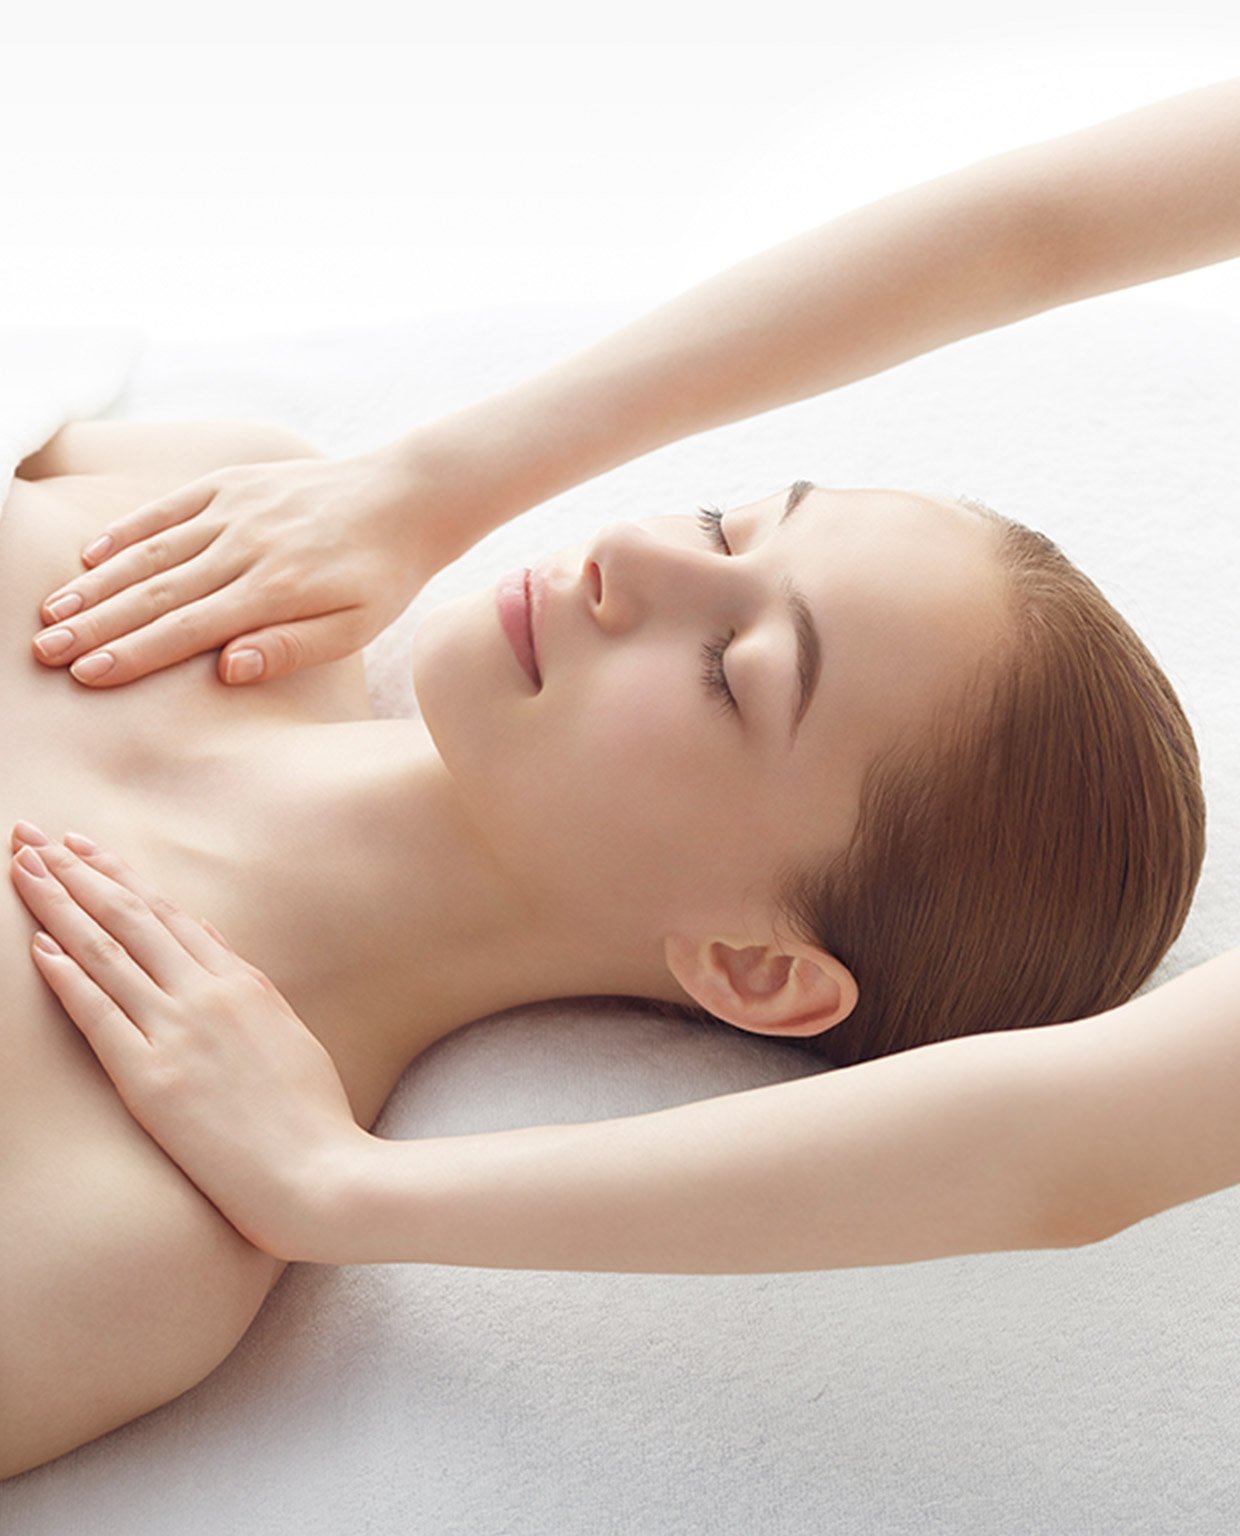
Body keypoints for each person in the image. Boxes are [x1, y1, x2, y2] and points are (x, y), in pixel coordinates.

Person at [1, 74, 1235, 1481]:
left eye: (733, 670)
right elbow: (1036, 221)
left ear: (755, 968)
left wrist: (337, 1191)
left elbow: (1076, 1154)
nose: (630, 555)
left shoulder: (130, 1233)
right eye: (723, 526)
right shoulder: (213, 509)